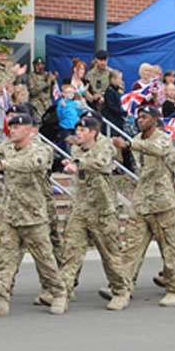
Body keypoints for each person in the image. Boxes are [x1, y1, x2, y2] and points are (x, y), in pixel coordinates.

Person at [0, 112, 67, 316]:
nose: (11, 131)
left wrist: (4, 164)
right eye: (10, 127)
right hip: (10, 214)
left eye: (16, 128)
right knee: (2, 259)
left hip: (33, 215)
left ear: (28, 130)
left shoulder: (41, 150)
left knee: (45, 259)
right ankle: (0, 299)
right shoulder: (8, 148)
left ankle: (59, 294)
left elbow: (32, 164)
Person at [59, 115, 131, 310]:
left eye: (83, 131)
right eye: (77, 130)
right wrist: (75, 160)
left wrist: (79, 163)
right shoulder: (76, 149)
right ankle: (62, 294)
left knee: (110, 255)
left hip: (103, 210)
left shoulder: (106, 146)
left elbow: (102, 163)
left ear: (93, 132)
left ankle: (120, 292)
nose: (78, 134)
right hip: (80, 209)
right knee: (71, 253)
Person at [114, 105, 175, 307]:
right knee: (131, 248)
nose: (140, 120)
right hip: (142, 201)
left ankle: (174, 290)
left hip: (163, 203)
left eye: (144, 117)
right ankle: (123, 289)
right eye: (138, 117)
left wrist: (129, 145)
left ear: (155, 120)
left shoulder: (162, 138)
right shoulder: (136, 140)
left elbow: (158, 150)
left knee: (169, 249)